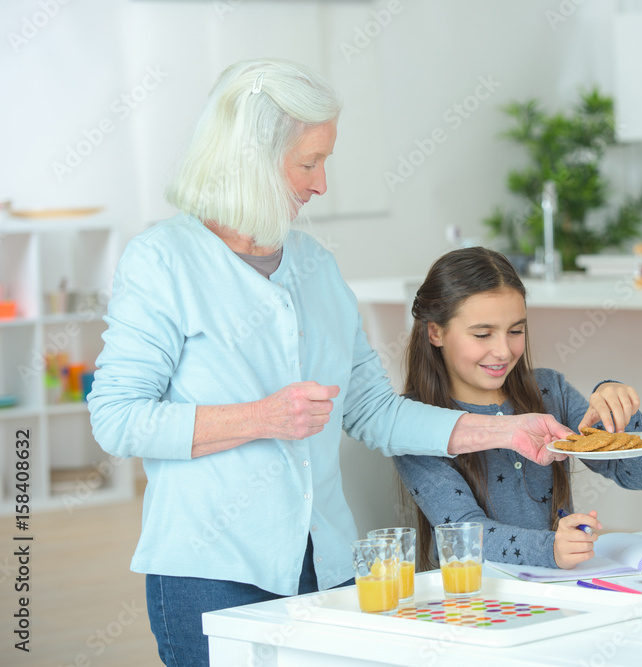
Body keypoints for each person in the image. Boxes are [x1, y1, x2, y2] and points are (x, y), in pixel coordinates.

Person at [87, 59, 571, 667]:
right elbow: (117, 419)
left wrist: (504, 429)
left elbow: (373, 409)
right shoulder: (162, 262)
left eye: (325, 162)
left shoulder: (316, 266)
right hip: (211, 569)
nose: (320, 185)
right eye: (308, 163)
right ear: (252, 158)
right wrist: (260, 418)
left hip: (330, 565)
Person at [393, 247, 642, 570]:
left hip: (561, 592)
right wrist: (551, 548)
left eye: (516, 331)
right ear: (435, 332)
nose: (503, 351)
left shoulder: (549, 391)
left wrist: (619, 406)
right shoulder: (415, 423)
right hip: (477, 602)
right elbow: (463, 535)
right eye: (482, 334)